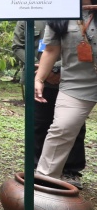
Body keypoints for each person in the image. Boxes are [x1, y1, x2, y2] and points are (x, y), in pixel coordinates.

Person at [34, 0, 97, 182]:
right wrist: (39, 78)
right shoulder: (59, 13)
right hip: (76, 84)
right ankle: (43, 181)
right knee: (61, 129)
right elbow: (51, 50)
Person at [12, 21, 85, 188]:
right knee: (38, 123)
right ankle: (36, 167)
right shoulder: (28, 14)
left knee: (73, 125)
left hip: (69, 78)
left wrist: (55, 68)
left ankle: (71, 171)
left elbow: (79, 44)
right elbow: (17, 46)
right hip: (36, 75)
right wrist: (39, 68)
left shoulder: (73, 15)